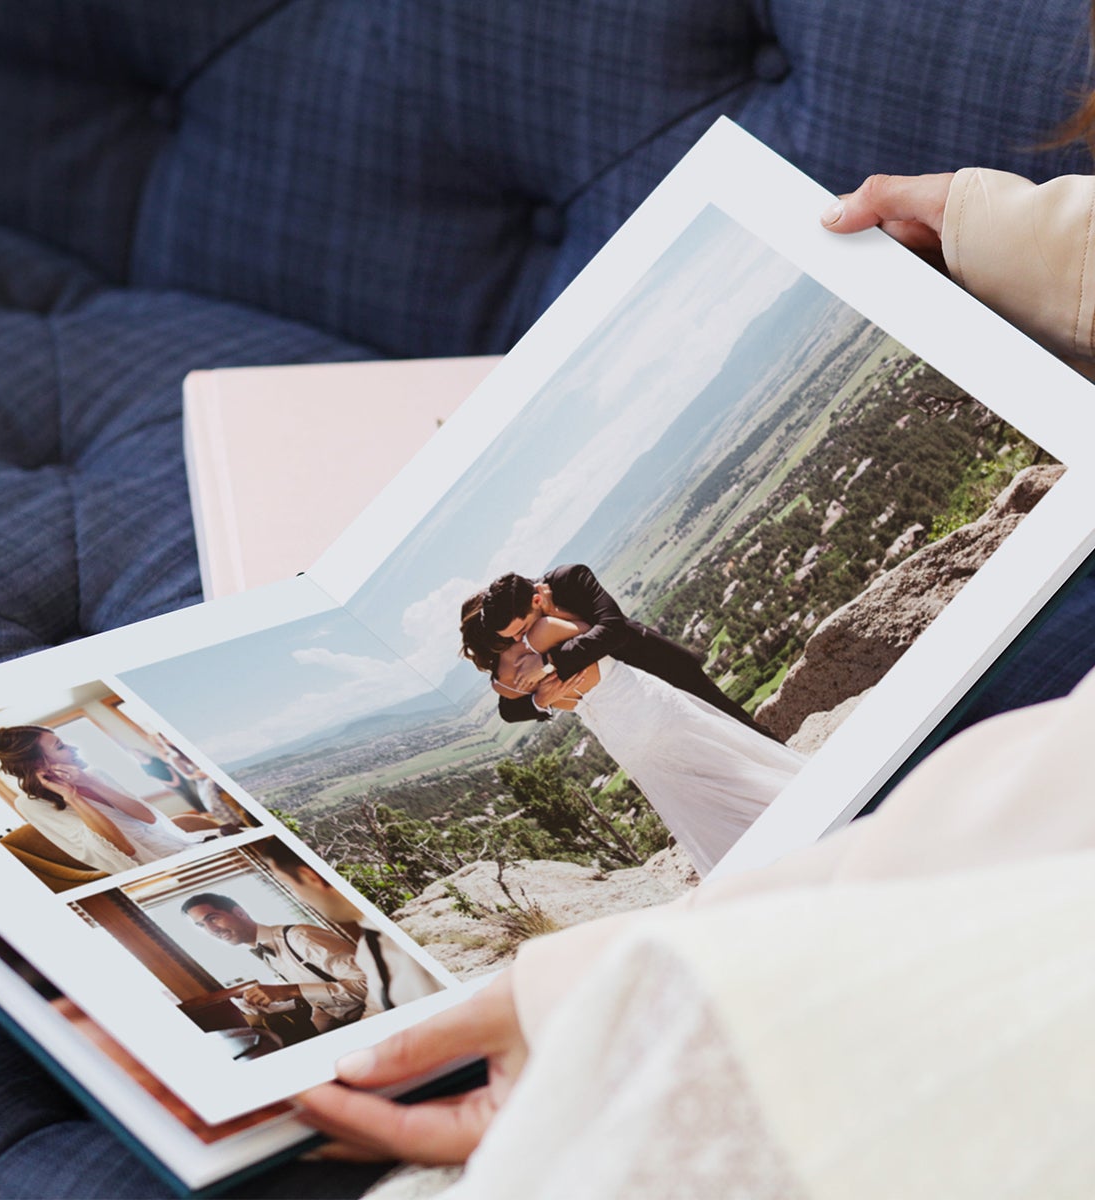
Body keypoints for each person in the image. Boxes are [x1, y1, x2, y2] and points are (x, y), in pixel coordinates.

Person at [285, 169, 1095, 1192]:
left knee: (727, 765)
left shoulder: (565, 605)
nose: (526, 631)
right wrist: (1017, 234)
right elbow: (533, 692)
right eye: (514, 630)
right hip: (635, 725)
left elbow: (611, 643)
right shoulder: (528, 665)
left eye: (522, 619)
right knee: (697, 789)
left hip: (653, 701)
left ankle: (761, 849)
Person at [487, 612, 804, 876]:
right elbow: (602, 631)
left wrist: (544, 679)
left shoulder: (517, 668)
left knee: (700, 787)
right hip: (640, 710)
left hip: (628, 725)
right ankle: (793, 822)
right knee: (720, 768)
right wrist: (546, 680)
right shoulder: (541, 634)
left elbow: (509, 707)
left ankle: (760, 858)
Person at [463, 565, 776, 738]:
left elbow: (613, 629)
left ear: (534, 602)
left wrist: (547, 662)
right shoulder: (521, 624)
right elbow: (507, 709)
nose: (522, 640)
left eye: (521, 630)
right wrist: (538, 700)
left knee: (737, 727)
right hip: (635, 708)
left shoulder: (571, 578)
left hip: (659, 665)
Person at [0, 725, 220, 874]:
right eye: (60, 747)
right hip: (155, 865)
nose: (73, 747)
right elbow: (123, 849)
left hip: (180, 843)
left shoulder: (96, 775)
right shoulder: (31, 805)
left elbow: (148, 818)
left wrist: (91, 784)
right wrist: (73, 797)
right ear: (40, 764)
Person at [256, 841, 444, 1017]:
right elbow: (377, 1003)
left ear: (309, 876)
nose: (300, 898)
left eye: (289, 885)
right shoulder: (368, 947)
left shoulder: (393, 944)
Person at [181, 892, 368, 1033]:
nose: (211, 930)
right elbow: (322, 1002)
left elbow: (371, 986)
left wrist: (290, 991)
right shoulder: (263, 950)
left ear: (239, 913)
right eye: (202, 926)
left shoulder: (300, 937)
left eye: (213, 918)